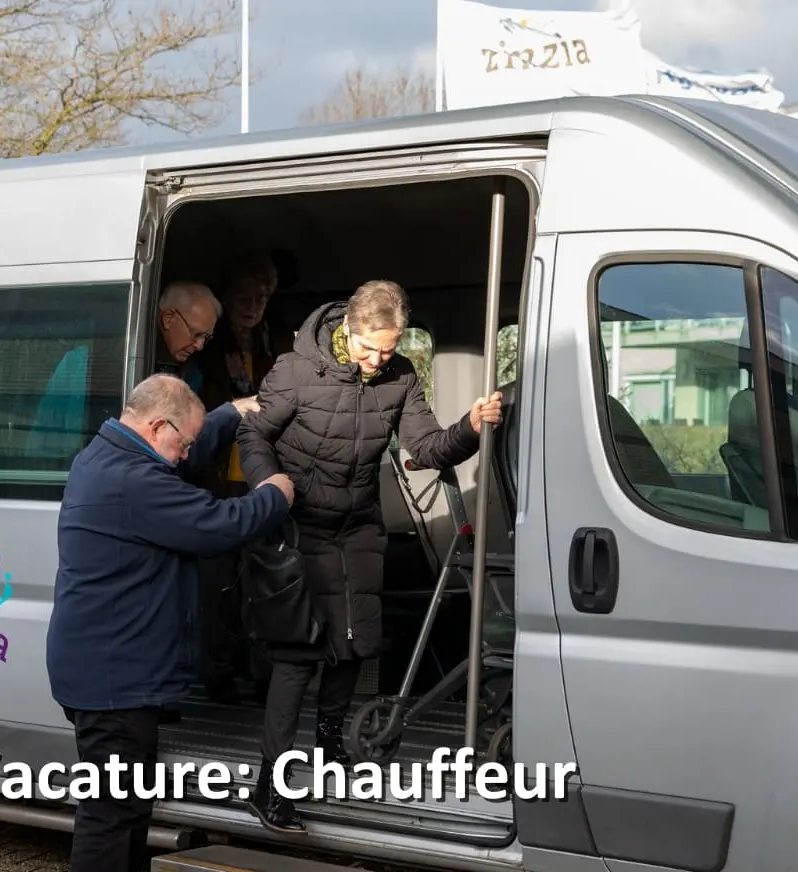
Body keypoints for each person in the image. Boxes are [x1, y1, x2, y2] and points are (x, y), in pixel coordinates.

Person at [46, 373, 294, 872]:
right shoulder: (133, 481)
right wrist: (276, 494)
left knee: (129, 809)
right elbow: (218, 524)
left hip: (117, 671)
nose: (188, 456)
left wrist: (225, 415)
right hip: (113, 679)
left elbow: (181, 444)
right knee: (108, 816)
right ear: (156, 429)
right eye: (182, 444)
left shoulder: (111, 455)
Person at [236, 279, 503, 833]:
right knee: (297, 655)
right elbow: (252, 436)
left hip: (357, 524)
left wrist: (471, 427)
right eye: (370, 348)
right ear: (349, 328)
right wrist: (270, 486)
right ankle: (272, 783)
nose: (379, 360)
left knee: (356, 641)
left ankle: (332, 749)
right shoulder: (294, 370)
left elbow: (425, 447)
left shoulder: (401, 376)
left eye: (389, 348)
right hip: (298, 523)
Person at [192, 252, 282, 703]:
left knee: (262, 578)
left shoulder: (271, 348)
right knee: (219, 584)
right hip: (215, 481)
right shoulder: (206, 351)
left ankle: (262, 672)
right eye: (244, 297)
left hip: (255, 475)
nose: (253, 305)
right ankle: (218, 674)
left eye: (262, 298)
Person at [28, 281, 227, 463]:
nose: (200, 346)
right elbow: (46, 441)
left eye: (206, 338)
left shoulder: (193, 374)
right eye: (196, 334)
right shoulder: (83, 364)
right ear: (168, 319)